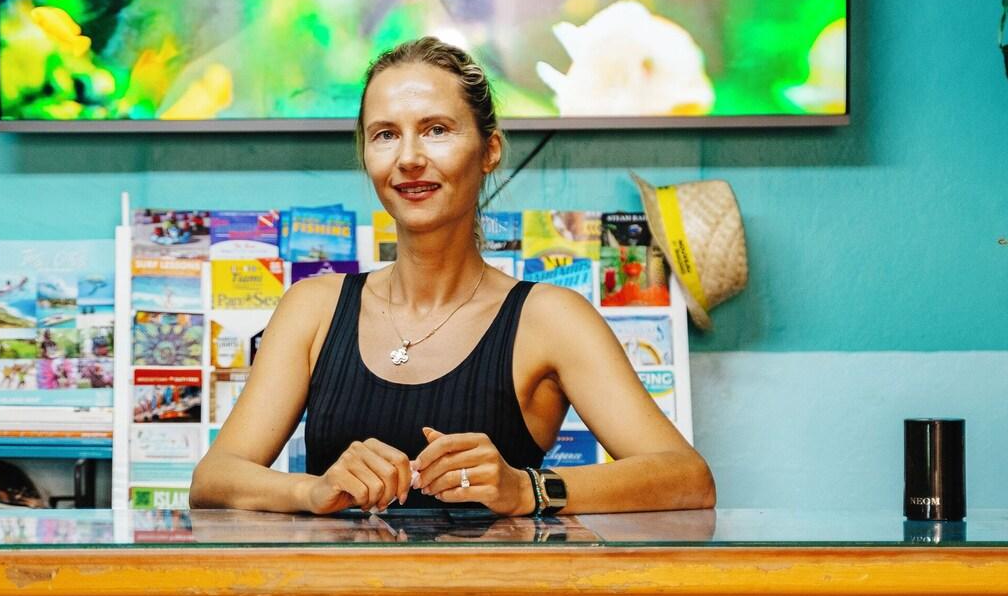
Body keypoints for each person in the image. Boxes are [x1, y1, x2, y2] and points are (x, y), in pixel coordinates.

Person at [190, 37, 715, 515]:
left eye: (437, 130)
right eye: (385, 135)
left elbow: (687, 479)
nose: (410, 158)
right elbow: (213, 478)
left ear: (489, 151)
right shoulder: (313, 308)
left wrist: (527, 488)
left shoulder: (551, 319)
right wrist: (311, 491)